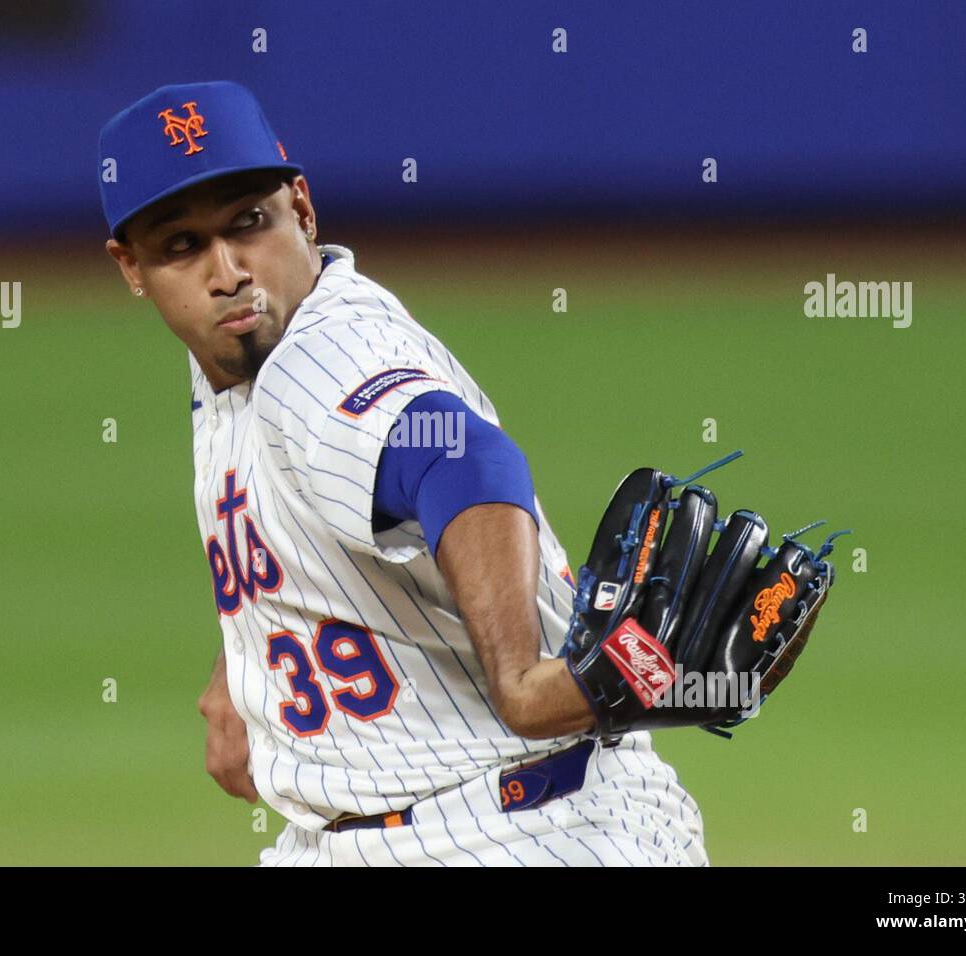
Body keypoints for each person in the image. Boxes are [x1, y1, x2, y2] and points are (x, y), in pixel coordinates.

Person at [99, 80, 707, 866]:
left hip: (516, 833)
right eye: (181, 246)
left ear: (302, 210)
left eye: (249, 223)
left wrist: (522, 678)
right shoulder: (242, 356)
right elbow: (301, 515)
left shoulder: (321, 358)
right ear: (132, 268)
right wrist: (245, 666)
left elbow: (466, 460)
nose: (228, 271)